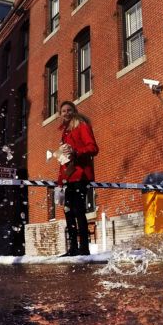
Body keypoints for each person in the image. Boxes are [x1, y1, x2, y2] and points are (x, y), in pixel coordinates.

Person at [57, 101, 99, 256]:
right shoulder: (64, 132)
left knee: (79, 211)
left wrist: (76, 151)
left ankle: (84, 248)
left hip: (80, 175)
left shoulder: (81, 125)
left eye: (69, 110)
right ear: (60, 114)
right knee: (68, 212)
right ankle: (73, 248)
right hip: (68, 177)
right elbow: (64, 160)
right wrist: (60, 182)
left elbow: (93, 148)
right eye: (63, 111)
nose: (66, 113)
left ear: (74, 111)